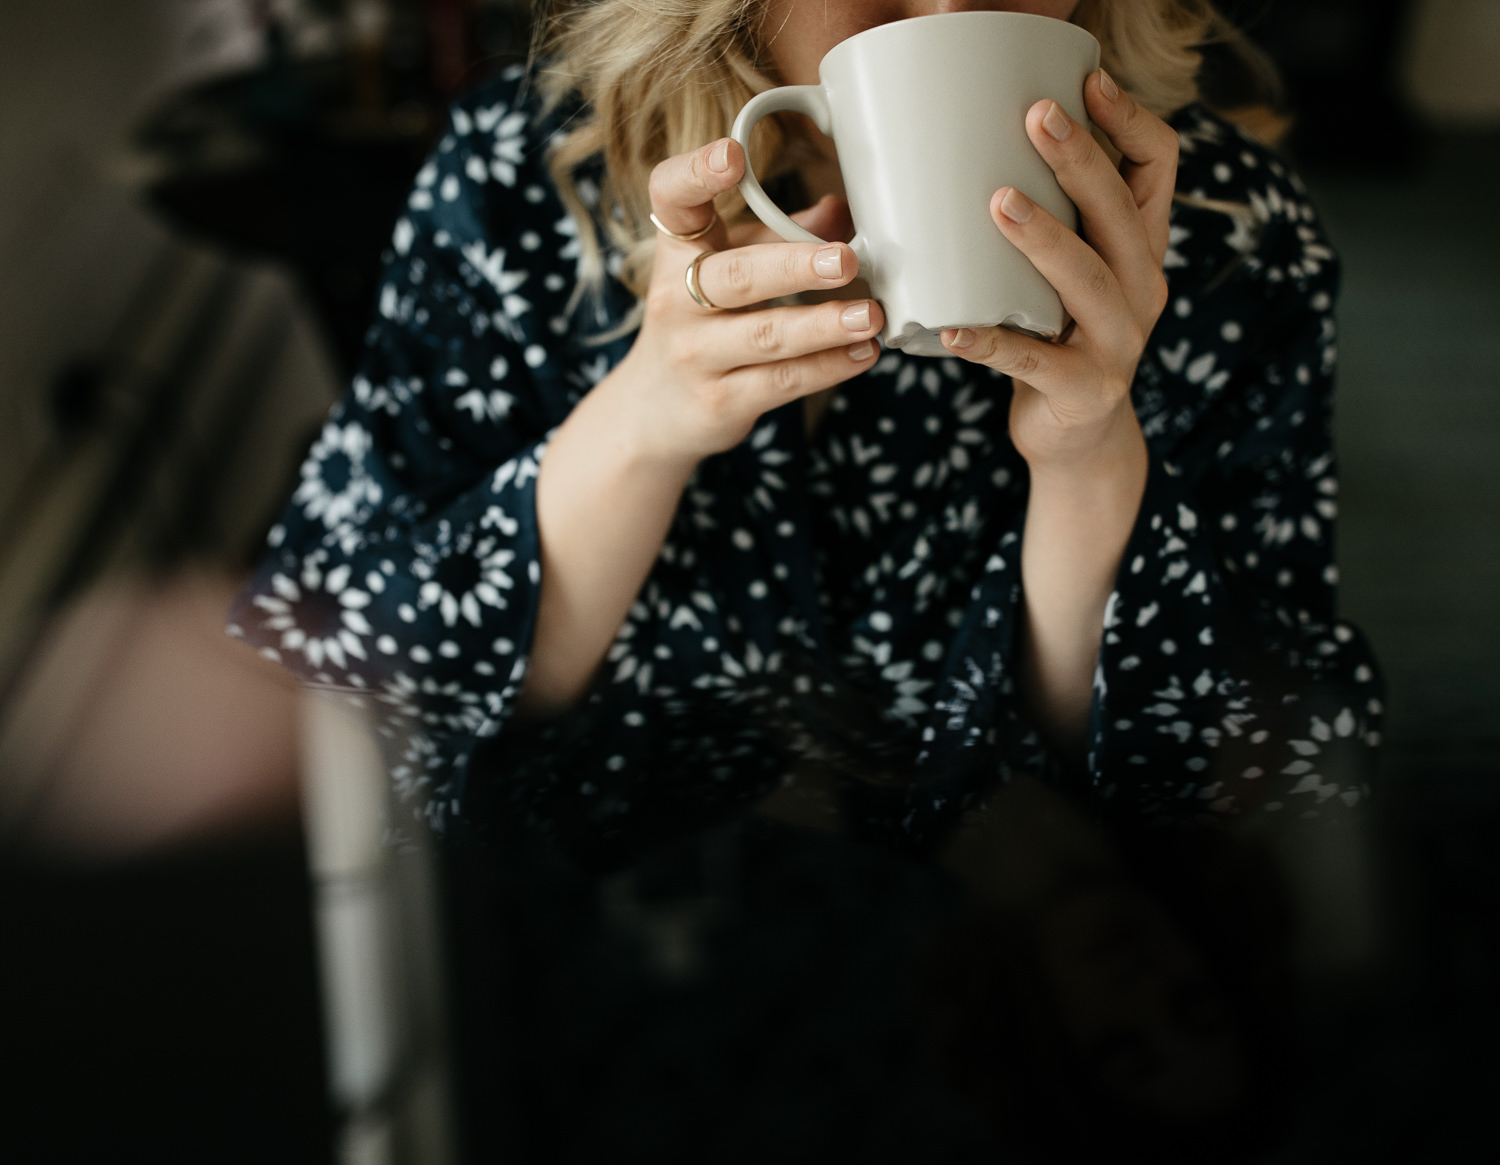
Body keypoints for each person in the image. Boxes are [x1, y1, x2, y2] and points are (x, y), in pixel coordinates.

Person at [229, 0, 1383, 862]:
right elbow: (319, 706)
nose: (946, 10)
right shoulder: (521, 184)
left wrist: (1090, 458)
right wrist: (640, 422)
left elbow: (1259, 789)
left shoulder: (1228, 235)